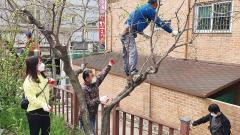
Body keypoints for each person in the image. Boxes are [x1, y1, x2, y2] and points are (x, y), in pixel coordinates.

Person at [121, 0, 178, 78]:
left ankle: (127, 71)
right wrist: (171, 31)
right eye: (157, 4)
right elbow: (159, 22)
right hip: (128, 34)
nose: (157, 6)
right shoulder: (150, 9)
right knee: (133, 52)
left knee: (126, 54)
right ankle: (133, 71)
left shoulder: (144, 7)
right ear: (154, 3)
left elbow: (137, 21)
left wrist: (143, 34)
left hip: (125, 32)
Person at [79, 59, 115, 133]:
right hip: (86, 116)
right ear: (86, 79)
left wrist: (109, 65)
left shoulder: (94, 83)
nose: (94, 77)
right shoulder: (84, 89)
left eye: (93, 75)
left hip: (92, 114)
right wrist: (100, 99)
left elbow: (102, 74)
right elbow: (89, 103)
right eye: (92, 76)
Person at [23, 56, 55, 135]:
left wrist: (50, 84)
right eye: (39, 63)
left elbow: (43, 90)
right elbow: (31, 98)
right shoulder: (29, 81)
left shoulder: (41, 75)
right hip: (34, 112)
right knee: (34, 133)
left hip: (45, 110)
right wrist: (43, 104)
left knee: (46, 132)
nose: (42, 65)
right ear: (34, 66)